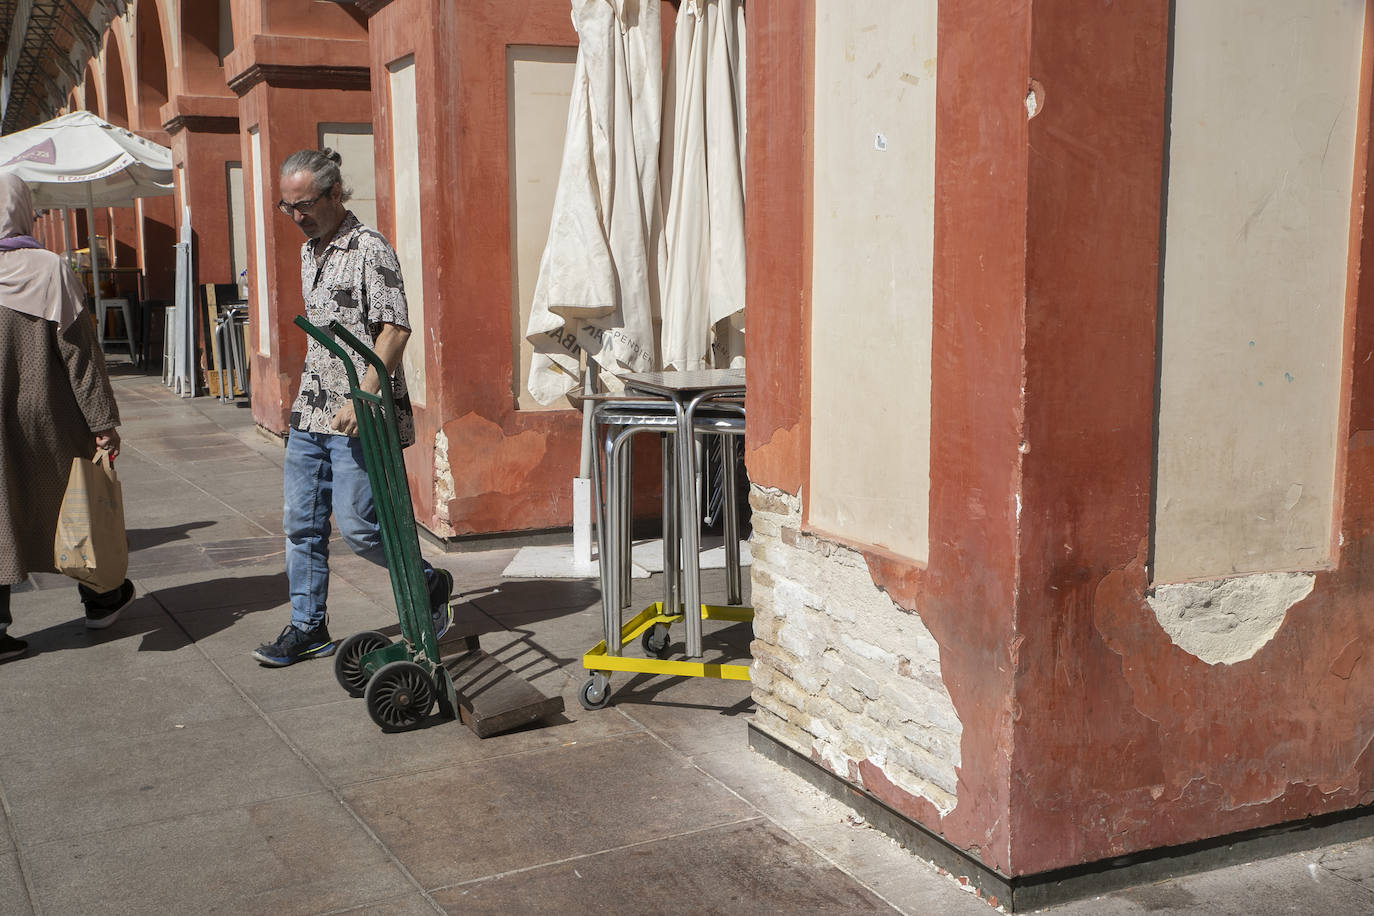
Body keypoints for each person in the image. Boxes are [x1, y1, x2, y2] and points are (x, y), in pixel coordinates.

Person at [252, 148, 452, 668]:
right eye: (287, 206)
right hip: (310, 411)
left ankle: (427, 582)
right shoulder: (309, 249)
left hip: (359, 412)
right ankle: (307, 626)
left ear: (335, 194)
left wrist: (361, 396)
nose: (296, 217)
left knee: (362, 526)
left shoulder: (370, 248)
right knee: (301, 523)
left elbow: (395, 329)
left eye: (305, 205)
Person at [0, 173, 136, 663]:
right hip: (48, 419)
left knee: (1, 514)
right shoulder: (48, 269)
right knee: (76, 503)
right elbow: (80, 355)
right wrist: (102, 421)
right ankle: (101, 600)